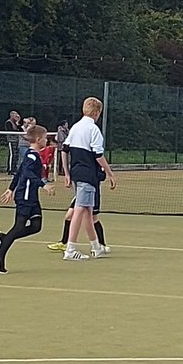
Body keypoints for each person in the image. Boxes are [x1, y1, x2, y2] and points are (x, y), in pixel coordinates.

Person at [0, 125, 54, 274]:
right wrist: (43, 184)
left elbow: (19, 172)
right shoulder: (32, 156)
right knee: (19, 227)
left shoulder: (33, 155)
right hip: (24, 197)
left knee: (36, 226)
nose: (46, 140)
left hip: (32, 197)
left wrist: (10, 188)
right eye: (44, 138)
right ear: (38, 140)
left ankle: (3, 238)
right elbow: (26, 172)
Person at [61, 97, 116, 261]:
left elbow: (64, 150)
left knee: (87, 211)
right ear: (97, 112)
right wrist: (111, 173)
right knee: (80, 210)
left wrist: (67, 173)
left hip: (77, 173)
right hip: (87, 175)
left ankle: (96, 247)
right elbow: (98, 155)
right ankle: (70, 249)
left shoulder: (75, 127)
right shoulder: (93, 130)